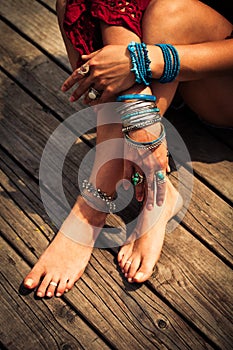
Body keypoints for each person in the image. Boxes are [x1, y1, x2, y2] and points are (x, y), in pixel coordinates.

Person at [23, 0, 233, 298]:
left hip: (219, 83)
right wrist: (136, 98)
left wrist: (144, 61)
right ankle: (149, 176)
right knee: (74, 3)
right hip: (172, 75)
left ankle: (98, 196)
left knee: (171, 12)